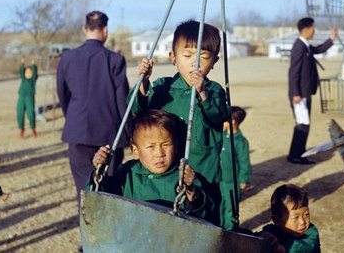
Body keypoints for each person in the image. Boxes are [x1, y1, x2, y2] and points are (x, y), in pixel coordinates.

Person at [131, 19, 228, 226]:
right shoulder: (163, 87)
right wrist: (143, 83)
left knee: (203, 222)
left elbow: (218, 116)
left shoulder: (214, 91)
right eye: (188, 56)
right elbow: (136, 113)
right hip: (167, 173)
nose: (195, 63)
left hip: (204, 172)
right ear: (173, 58)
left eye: (203, 57)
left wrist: (201, 92)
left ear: (214, 61)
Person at [56, 11, 130, 213]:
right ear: (105, 30)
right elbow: (122, 102)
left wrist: (72, 118)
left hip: (78, 132)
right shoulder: (115, 60)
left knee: (84, 189)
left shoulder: (67, 58)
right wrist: (130, 135)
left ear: (84, 29)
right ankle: (107, 241)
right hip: (109, 137)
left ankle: (87, 241)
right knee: (110, 190)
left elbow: (63, 96)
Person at [89, 109, 212, 220]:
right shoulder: (128, 172)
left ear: (175, 147)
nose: (159, 153)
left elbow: (203, 216)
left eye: (166, 145)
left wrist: (192, 192)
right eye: (150, 147)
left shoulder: (182, 176)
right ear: (135, 151)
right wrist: (98, 170)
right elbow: (100, 198)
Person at [287, 17, 338, 165]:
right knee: (302, 124)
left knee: (303, 124)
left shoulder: (305, 45)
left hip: (304, 92)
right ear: (306, 29)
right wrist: (296, 93)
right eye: (313, 28)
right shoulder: (299, 47)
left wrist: (332, 38)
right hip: (300, 94)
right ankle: (296, 155)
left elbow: (318, 49)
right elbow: (293, 72)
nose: (314, 31)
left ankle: (297, 153)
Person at [258, 184, 321, 253]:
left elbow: (305, 247)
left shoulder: (311, 232)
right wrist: (263, 237)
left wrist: (282, 248)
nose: (302, 222)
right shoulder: (272, 231)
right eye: (295, 218)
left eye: (306, 214)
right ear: (277, 220)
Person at [220, 106, 252, 230]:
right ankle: (218, 228)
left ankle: (229, 231)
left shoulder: (240, 142)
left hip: (232, 183)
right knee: (219, 205)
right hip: (220, 180)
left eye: (225, 120)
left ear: (233, 122)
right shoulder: (221, 136)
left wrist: (244, 179)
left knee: (230, 208)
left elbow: (244, 161)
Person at [17, 53, 38, 138]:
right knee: (20, 113)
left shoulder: (33, 79)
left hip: (29, 98)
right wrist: (22, 62)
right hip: (22, 97)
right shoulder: (23, 78)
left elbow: (35, 71)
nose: (28, 73)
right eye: (27, 72)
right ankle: (21, 129)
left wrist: (33, 62)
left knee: (30, 114)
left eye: (30, 72)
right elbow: (21, 70)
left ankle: (33, 129)